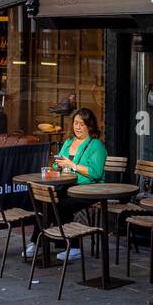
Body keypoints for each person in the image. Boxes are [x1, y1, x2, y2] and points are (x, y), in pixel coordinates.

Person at [26, 107, 107, 262]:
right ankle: (38, 242)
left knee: (62, 205)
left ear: (89, 126)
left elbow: (95, 173)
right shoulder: (69, 142)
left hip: (89, 189)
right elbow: (58, 164)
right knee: (44, 201)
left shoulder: (96, 145)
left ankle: (74, 247)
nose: (77, 127)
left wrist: (73, 165)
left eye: (82, 124)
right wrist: (57, 167)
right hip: (67, 186)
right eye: (76, 123)